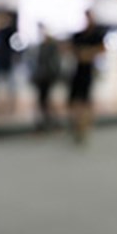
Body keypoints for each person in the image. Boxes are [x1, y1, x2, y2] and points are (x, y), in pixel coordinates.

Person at [68, 11, 105, 145]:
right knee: (75, 101)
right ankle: (77, 125)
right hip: (77, 71)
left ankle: (84, 127)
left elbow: (101, 49)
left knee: (85, 101)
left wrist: (89, 53)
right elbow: (70, 49)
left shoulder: (96, 35)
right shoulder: (79, 35)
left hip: (88, 72)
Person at [30, 26, 62, 132]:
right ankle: (46, 122)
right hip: (41, 77)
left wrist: (55, 75)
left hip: (48, 76)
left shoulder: (51, 46)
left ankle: (51, 122)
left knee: (45, 100)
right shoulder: (41, 46)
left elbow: (55, 63)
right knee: (42, 100)